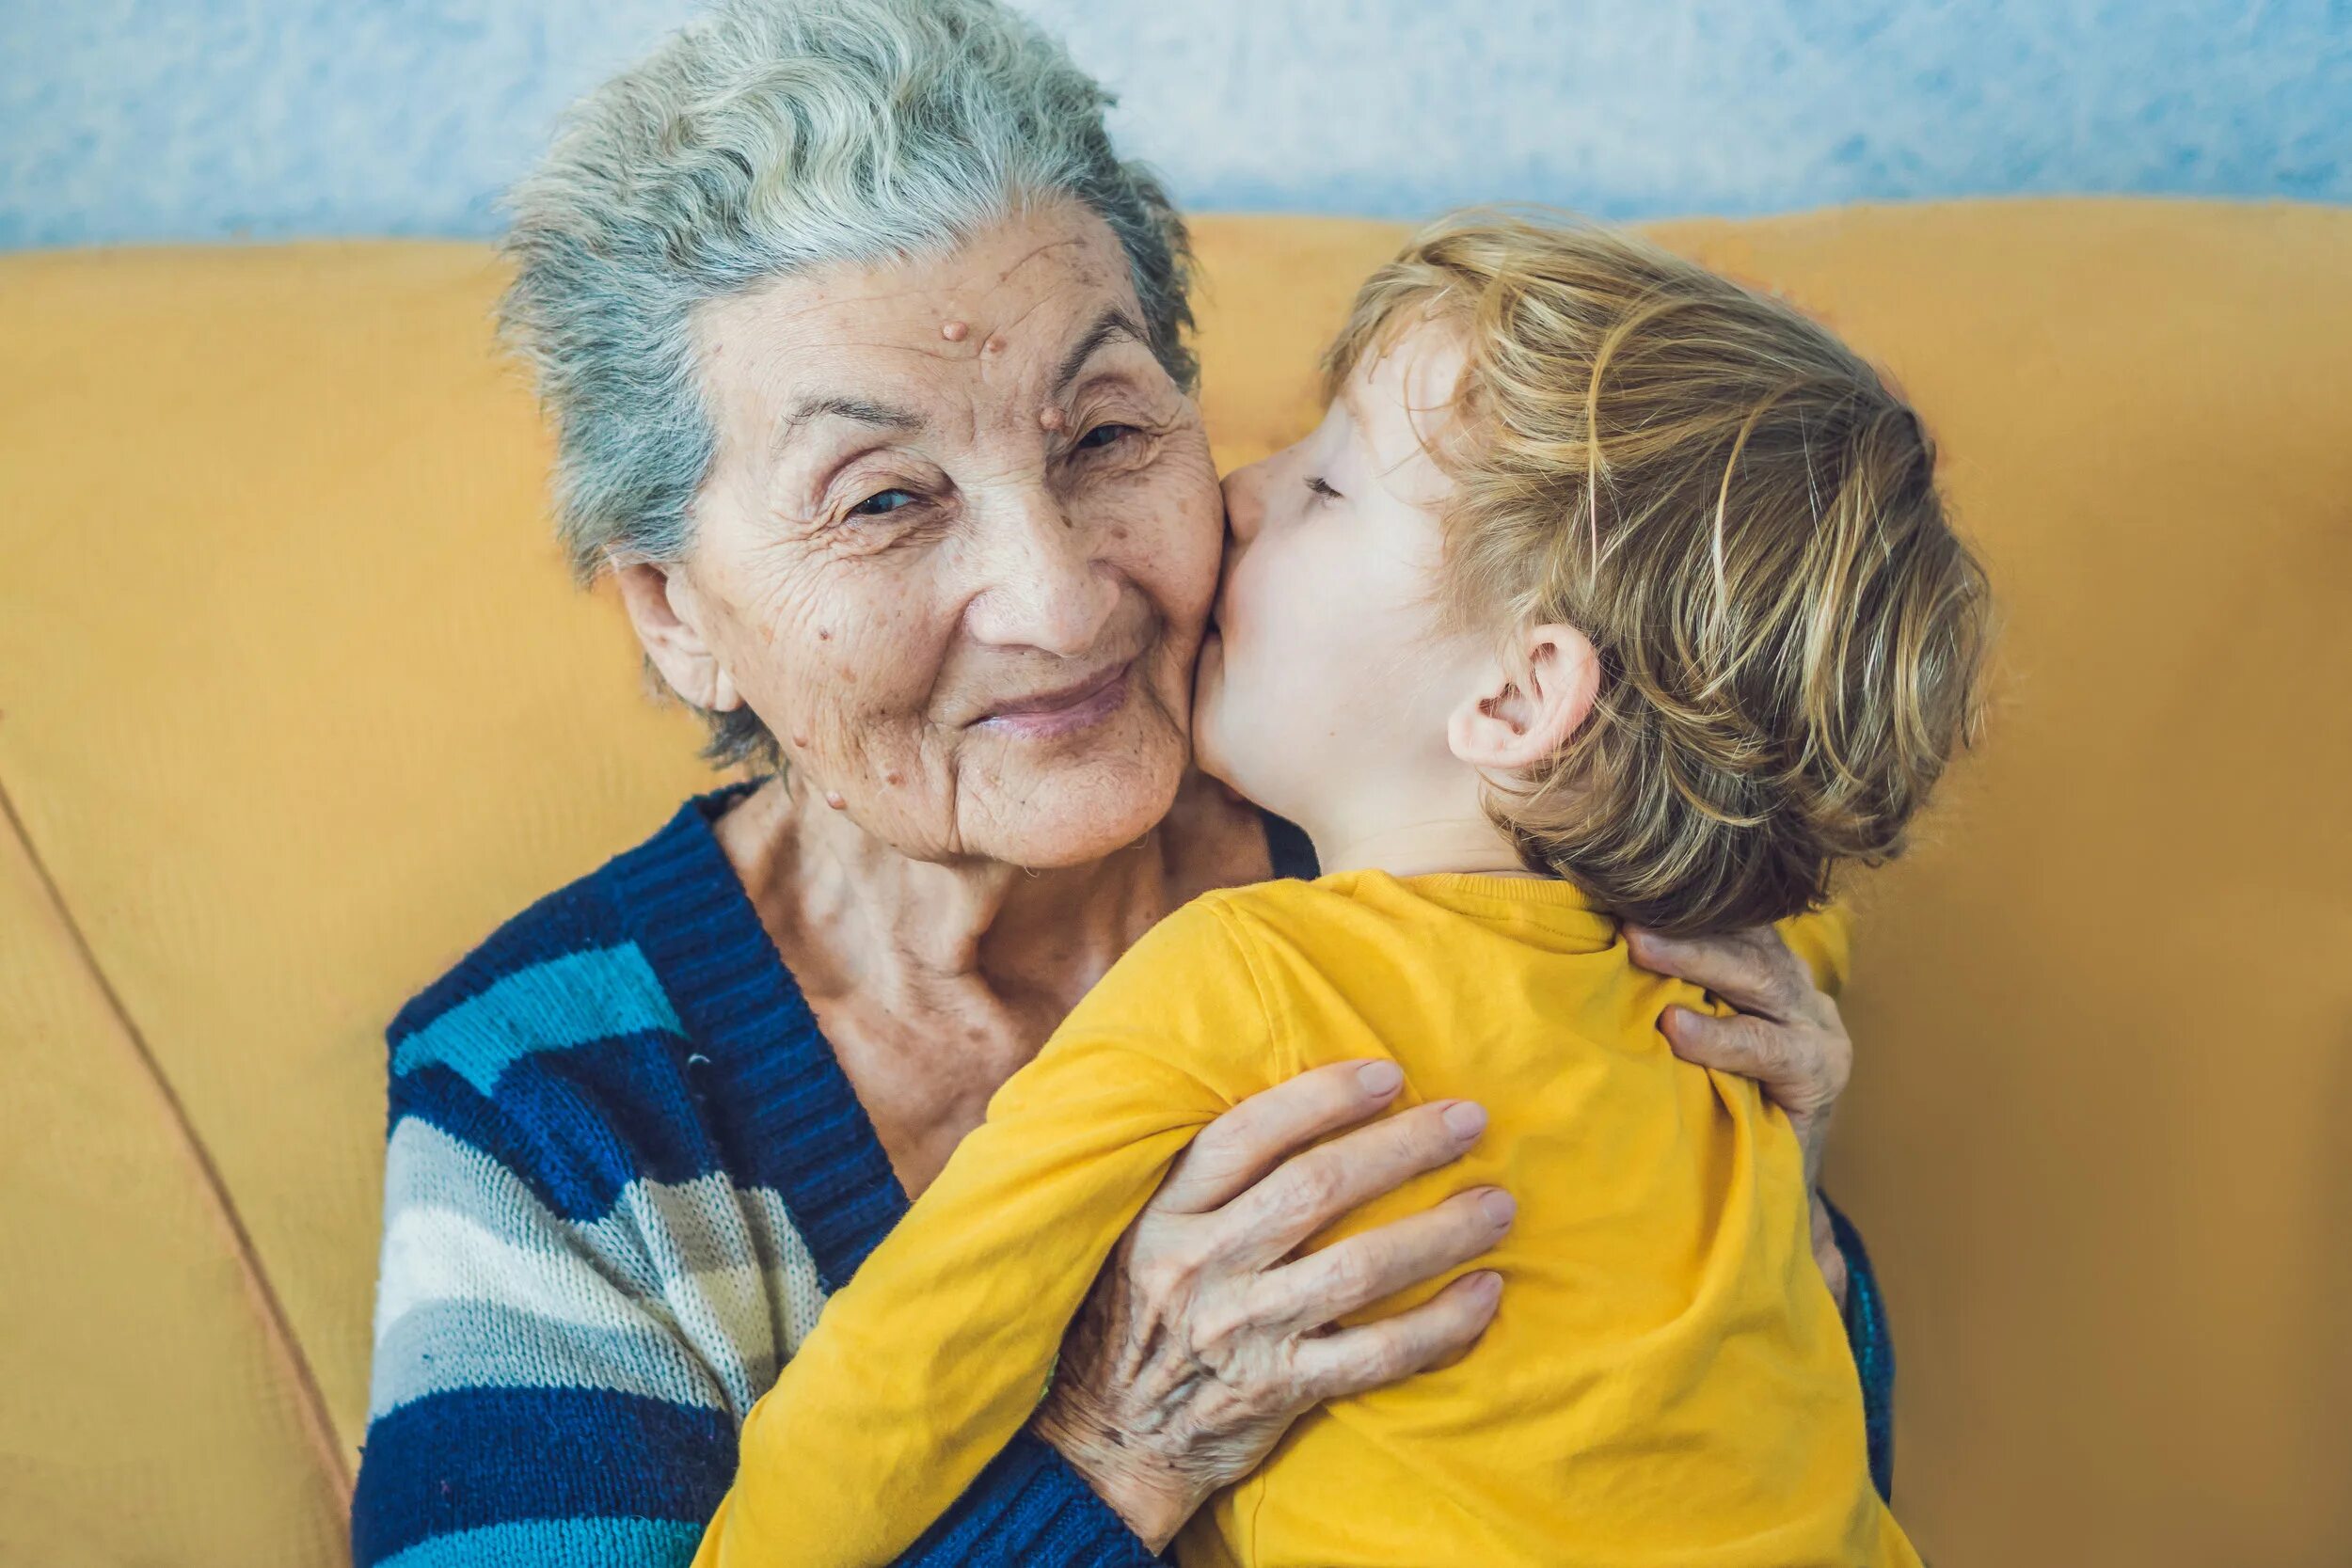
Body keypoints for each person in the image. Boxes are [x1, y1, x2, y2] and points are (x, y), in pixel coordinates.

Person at [351, 6, 1895, 1563]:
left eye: (1101, 434)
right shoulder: (548, 1100)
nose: (1062, 600)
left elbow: (1728, 1487)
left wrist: (1780, 1197)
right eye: (885, 498)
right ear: (679, 617)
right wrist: (1112, 1462)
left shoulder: (1491, 850)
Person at [696, 212, 1987, 1567]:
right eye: (886, 497)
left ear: (1516, 694)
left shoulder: (1248, 979)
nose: (1245, 490)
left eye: (1327, 489)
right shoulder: (1739, 977)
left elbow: (909, 1364)